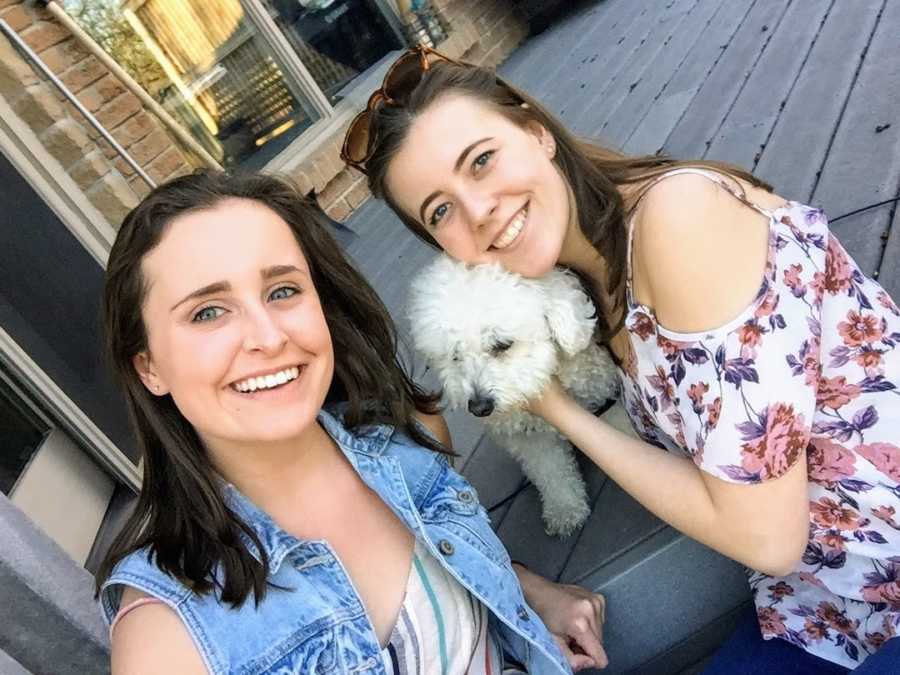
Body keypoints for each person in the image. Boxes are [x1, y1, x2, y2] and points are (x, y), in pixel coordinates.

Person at [343, 45, 900, 673]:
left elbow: (768, 538)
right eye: (440, 210)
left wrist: (554, 406)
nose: (477, 211)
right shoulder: (590, 277)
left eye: (482, 161)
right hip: (822, 605)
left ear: (537, 133)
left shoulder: (677, 219)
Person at [94, 170, 608, 674]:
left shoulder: (412, 438)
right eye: (208, 312)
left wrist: (524, 591)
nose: (268, 337)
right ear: (149, 367)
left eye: (282, 291)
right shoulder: (164, 640)